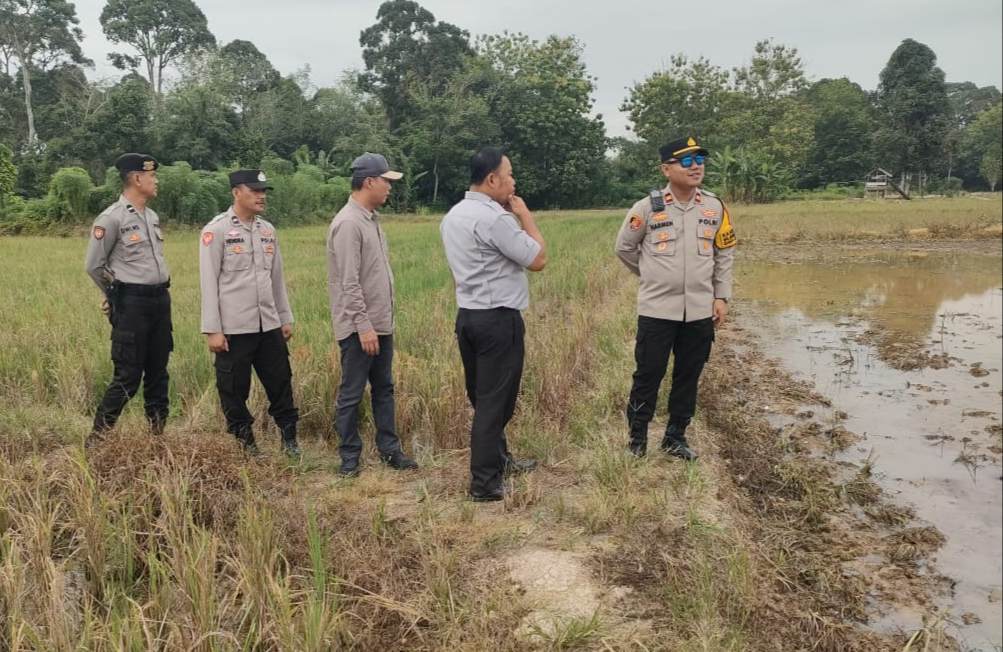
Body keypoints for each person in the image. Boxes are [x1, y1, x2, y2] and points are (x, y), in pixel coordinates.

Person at [615, 135, 736, 460]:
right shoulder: (647, 208)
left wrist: (721, 296)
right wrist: (653, 276)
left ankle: (675, 437)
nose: (695, 166)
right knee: (647, 375)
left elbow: (724, 251)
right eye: (686, 161)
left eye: (699, 160)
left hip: (699, 311)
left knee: (688, 376)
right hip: (657, 310)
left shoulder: (715, 207)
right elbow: (624, 248)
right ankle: (637, 441)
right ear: (666, 169)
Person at [440, 147, 547, 502]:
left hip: (468, 317)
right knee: (495, 404)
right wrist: (525, 216)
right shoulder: (494, 219)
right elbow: (537, 258)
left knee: (482, 396)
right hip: (498, 319)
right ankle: (484, 484)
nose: (514, 182)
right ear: (491, 179)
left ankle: (499, 461)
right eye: (510, 174)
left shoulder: (453, 215)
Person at [327, 153, 419, 477]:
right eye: (386, 182)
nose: (389, 188)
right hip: (358, 328)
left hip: (380, 323)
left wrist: (379, 324)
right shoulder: (348, 223)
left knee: (384, 388)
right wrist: (364, 327)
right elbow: (348, 283)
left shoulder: (370, 219)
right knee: (352, 393)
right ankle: (349, 458)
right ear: (369, 182)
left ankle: (389, 450)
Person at [199, 169, 300, 456]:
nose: (261, 196)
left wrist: (284, 316)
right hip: (234, 327)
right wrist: (213, 329)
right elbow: (209, 282)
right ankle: (246, 443)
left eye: (264, 191)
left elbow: (276, 278)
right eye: (255, 190)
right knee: (233, 389)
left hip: (268, 324)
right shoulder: (215, 231)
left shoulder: (267, 230)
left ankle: (290, 439)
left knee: (281, 382)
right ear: (236, 192)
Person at [84, 153, 172, 446]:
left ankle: (157, 438)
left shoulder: (151, 216)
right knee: (128, 376)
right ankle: (97, 439)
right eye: (152, 176)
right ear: (136, 178)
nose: (156, 180)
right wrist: (114, 294)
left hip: (160, 300)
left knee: (158, 374)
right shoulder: (112, 218)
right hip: (132, 304)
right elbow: (94, 265)